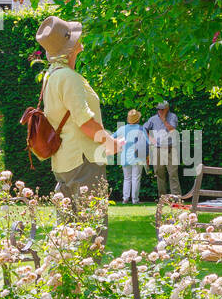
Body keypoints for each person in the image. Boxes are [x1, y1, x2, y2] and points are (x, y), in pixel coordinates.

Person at [36, 15, 121, 241]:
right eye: (76, 39)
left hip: (64, 161)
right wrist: (111, 143)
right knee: (93, 230)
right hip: (83, 161)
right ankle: (88, 274)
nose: (80, 41)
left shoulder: (51, 75)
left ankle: (65, 274)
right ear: (70, 47)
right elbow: (85, 123)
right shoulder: (68, 77)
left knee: (68, 231)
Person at [144, 101, 181, 199]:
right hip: (157, 149)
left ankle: (176, 198)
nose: (160, 111)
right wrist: (150, 139)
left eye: (162, 109)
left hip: (170, 148)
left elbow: (172, 130)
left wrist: (164, 119)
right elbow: (144, 129)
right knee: (159, 174)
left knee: (173, 174)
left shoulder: (172, 117)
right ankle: (162, 198)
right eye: (158, 109)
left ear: (167, 108)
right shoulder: (152, 119)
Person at [113, 109, 148, 204]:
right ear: (137, 119)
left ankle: (125, 199)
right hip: (138, 157)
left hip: (125, 157)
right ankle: (135, 200)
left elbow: (112, 138)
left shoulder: (122, 129)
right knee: (136, 178)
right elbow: (147, 143)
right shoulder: (141, 129)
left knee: (127, 179)